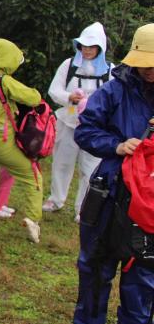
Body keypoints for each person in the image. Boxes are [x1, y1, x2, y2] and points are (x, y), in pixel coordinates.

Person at [72, 23, 154, 324]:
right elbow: (86, 130)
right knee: (97, 257)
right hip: (112, 186)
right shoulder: (114, 91)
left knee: (145, 267)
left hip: (149, 196)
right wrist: (117, 145)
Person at [0, 39, 44, 242]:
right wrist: (36, 94)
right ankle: (33, 219)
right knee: (33, 176)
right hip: (3, 142)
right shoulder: (3, 81)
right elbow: (32, 98)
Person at [44, 22, 113, 221]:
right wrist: (69, 98)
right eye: (84, 46)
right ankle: (56, 199)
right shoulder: (69, 65)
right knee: (62, 162)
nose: (87, 50)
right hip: (68, 121)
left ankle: (83, 208)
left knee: (90, 168)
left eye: (92, 47)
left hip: (95, 128)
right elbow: (54, 90)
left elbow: (113, 98)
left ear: (100, 47)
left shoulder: (110, 71)